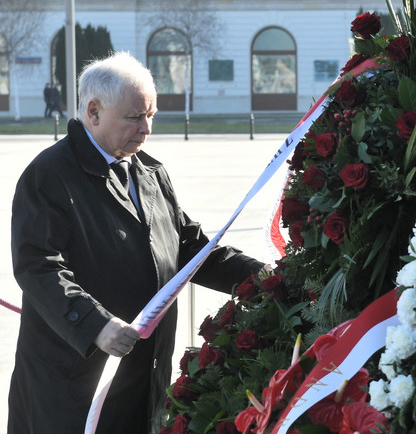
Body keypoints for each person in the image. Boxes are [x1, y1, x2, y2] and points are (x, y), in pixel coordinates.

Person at [8, 52, 266, 433]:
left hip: (141, 382)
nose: (146, 129)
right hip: (71, 389)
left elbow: (191, 250)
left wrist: (265, 279)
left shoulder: (149, 172)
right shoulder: (49, 175)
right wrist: (96, 325)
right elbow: (39, 267)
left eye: (151, 116)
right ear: (93, 112)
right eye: (134, 117)